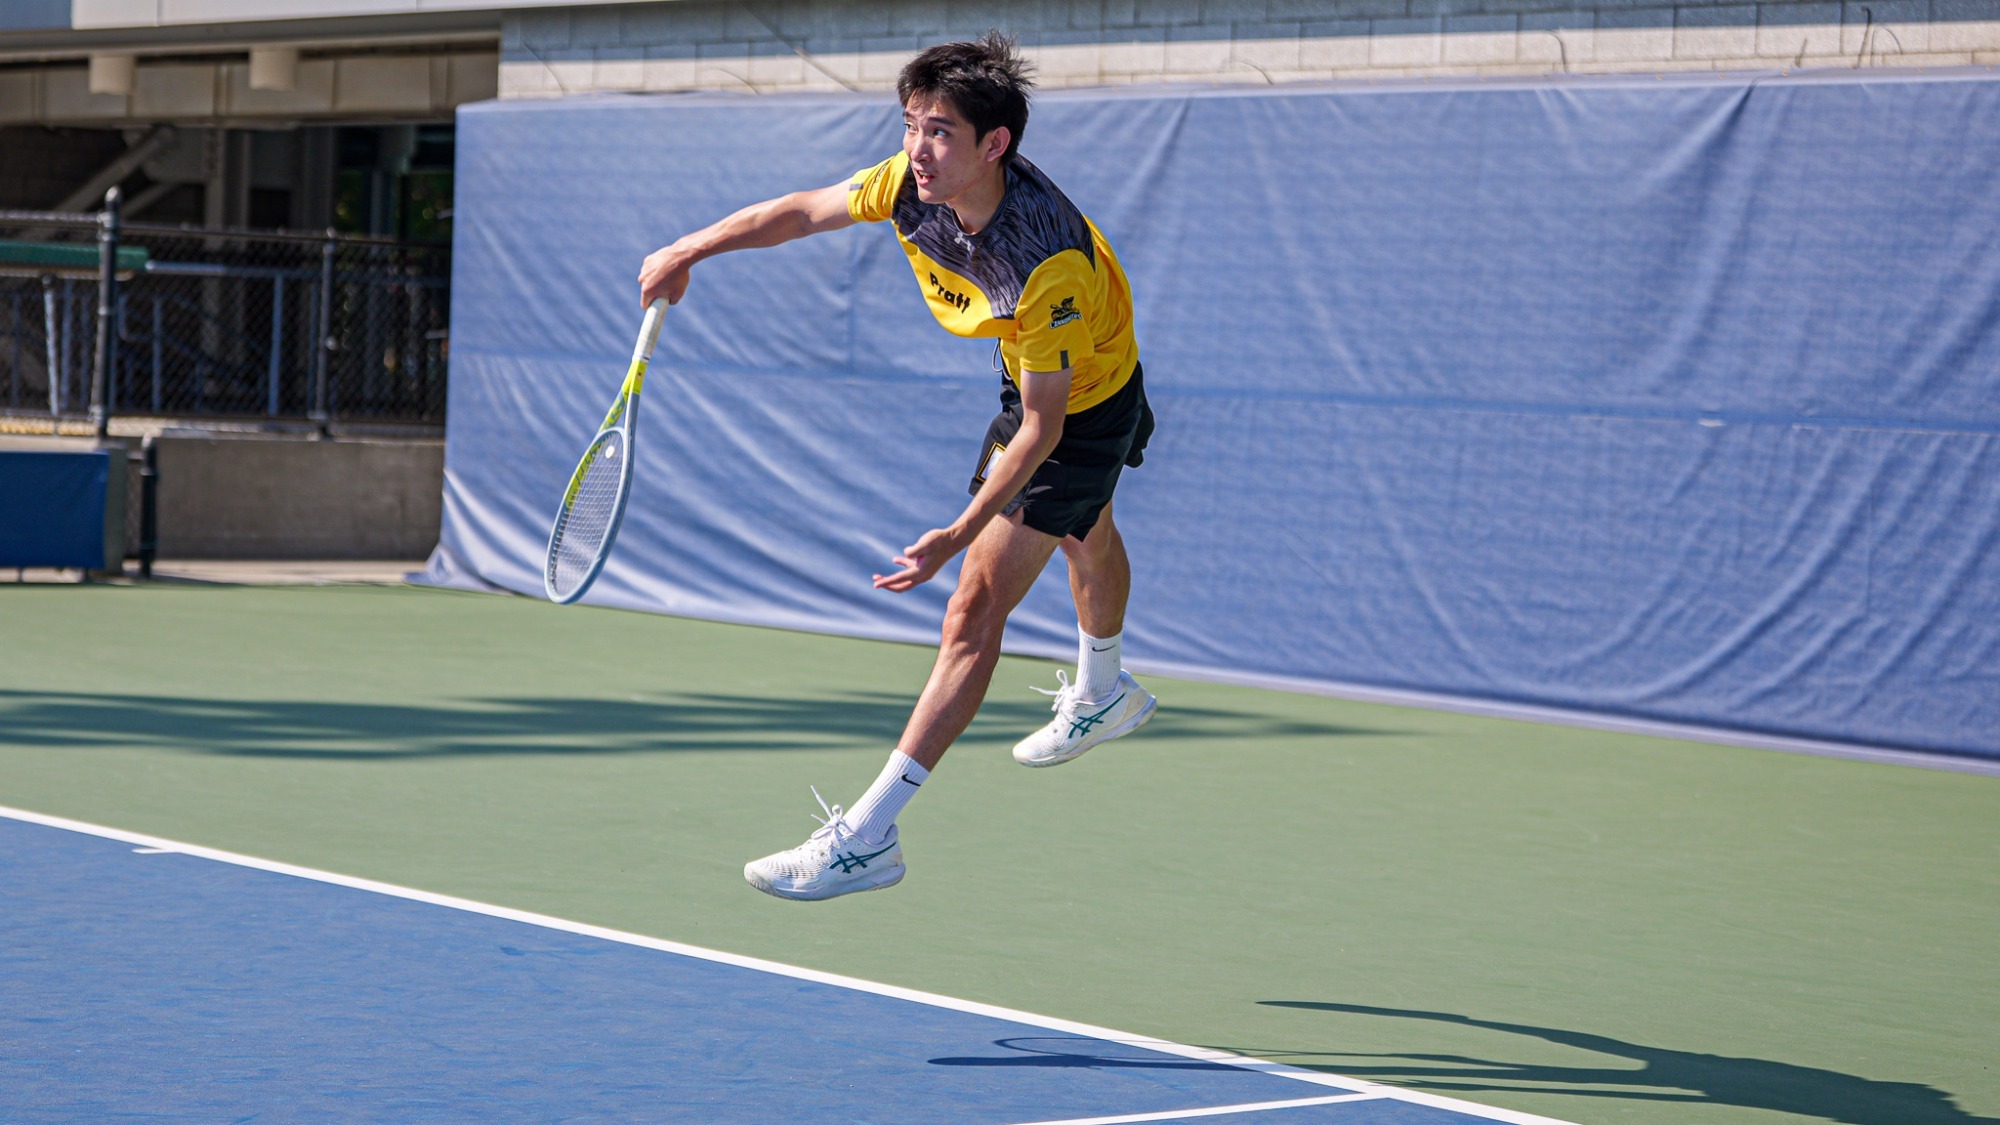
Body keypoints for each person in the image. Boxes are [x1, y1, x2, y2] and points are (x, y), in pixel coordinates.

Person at [637, 31, 1157, 901]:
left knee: (974, 604)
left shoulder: (1044, 263)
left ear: (996, 144)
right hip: (1039, 368)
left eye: (942, 130)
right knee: (1084, 526)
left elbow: (1040, 433)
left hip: (1079, 403)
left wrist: (958, 533)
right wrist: (691, 247)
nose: (919, 147)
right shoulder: (913, 189)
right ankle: (1106, 685)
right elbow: (805, 209)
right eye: (912, 123)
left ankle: (868, 835)